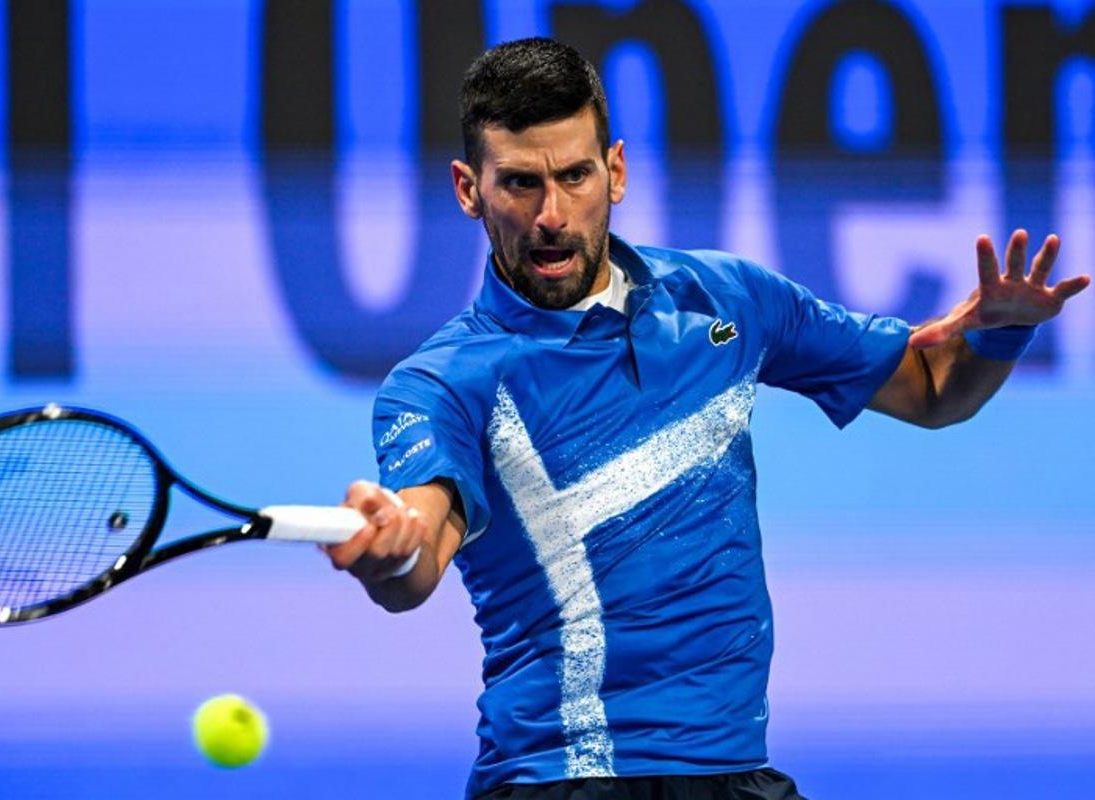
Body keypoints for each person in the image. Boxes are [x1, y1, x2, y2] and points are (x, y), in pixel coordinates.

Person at [320, 38, 1089, 800]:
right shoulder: (441, 382)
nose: (551, 214)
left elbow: (931, 390)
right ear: (467, 188)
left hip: (736, 773)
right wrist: (391, 547)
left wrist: (1000, 334)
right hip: (563, 778)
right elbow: (420, 548)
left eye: (575, 176)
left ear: (614, 171)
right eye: (519, 183)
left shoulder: (727, 300)